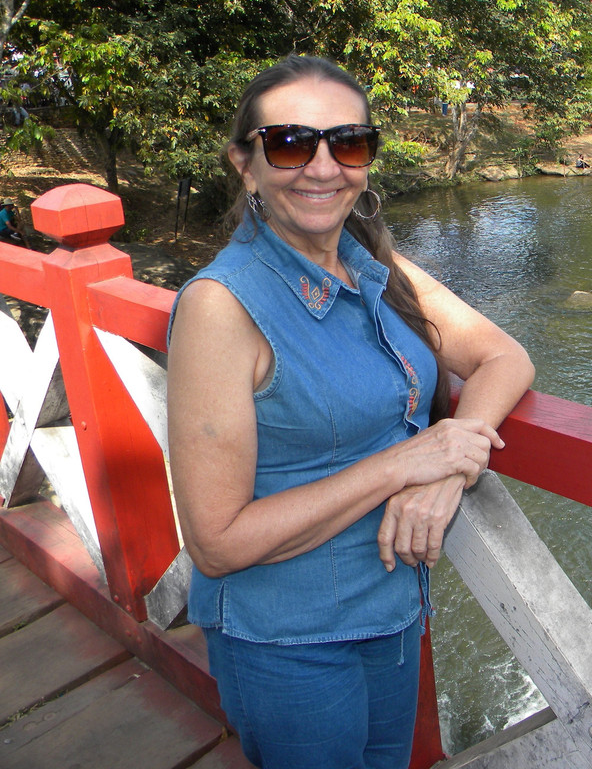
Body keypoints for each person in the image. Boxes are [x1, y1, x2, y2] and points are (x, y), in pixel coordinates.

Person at [166, 54, 535, 769]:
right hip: (287, 642)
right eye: (291, 143)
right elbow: (217, 542)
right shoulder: (222, 306)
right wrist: (403, 461)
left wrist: (449, 466)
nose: (323, 166)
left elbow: (504, 357)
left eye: (349, 143)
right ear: (246, 164)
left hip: (393, 612)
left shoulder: (373, 264)